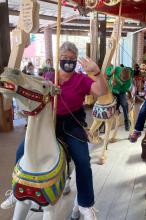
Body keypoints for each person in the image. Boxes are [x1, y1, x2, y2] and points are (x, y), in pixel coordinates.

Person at [1, 42, 107, 219]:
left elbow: (101, 91)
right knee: (21, 151)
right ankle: (16, 191)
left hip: (72, 124)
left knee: (82, 159)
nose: (68, 62)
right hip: (48, 122)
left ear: (76, 62)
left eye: (72, 59)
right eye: (65, 58)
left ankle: (85, 203)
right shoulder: (49, 75)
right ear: (59, 59)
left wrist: (96, 72)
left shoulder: (81, 79)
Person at [106, 65, 133, 131]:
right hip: (111, 89)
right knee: (105, 103)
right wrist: (111, 72)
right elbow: (108, 68)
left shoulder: (129, 81)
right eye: (121, 78)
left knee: (124, 104)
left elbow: (125, 89)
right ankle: (103, 118)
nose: (122, 80)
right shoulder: (117, 69)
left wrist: (119, 83)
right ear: (120, 72)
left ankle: (127, 121)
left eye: (124, 80)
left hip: (120, 92)